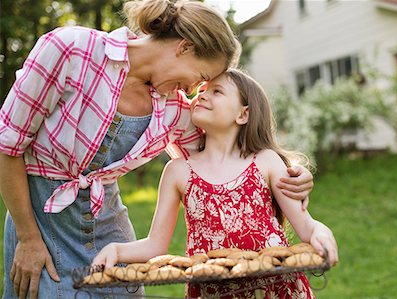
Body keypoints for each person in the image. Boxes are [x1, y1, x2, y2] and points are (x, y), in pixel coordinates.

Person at [0, 1, 315, 298]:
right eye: (201, 77)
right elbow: (8, 146)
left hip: (109, 229)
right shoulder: (70, 51)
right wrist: (28, 238)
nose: (193, 90)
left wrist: (289, 173)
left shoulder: (176, 111)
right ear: (185, 47)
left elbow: (226, 164)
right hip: (39, 222)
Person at [92, 69, 339, 298]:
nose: (202, 96)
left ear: (243, 114)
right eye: (200, 91)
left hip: (277, 289)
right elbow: (155, 245)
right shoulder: (178, 171)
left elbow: (307, 227)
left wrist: (322, 234)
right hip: (213, 292)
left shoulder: (265, 162)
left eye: (216, 91)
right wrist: (118, 249)